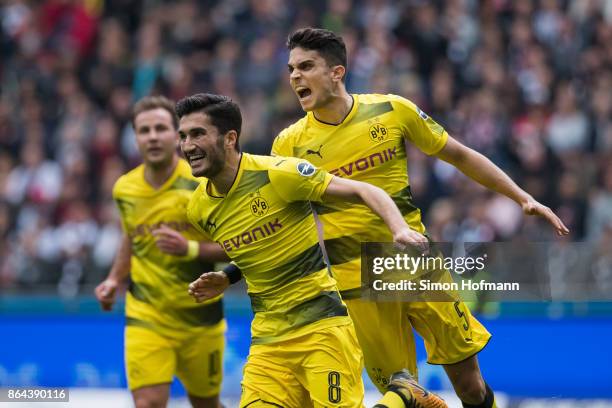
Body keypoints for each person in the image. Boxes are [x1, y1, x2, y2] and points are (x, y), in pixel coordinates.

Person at [270, 28, 570, 408]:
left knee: (471, 385)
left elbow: (459, 155)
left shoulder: (392, 110)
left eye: (306, 66)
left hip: (415, 263)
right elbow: (284, 223)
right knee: (405, 394)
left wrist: (522, 197)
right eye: (291, 68)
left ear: (337, 72)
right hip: (355, 279)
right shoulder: (288, 144)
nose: (295, 76)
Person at [179, 93, 447, 408]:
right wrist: (227, 277)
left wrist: (399, 228)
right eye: (183, 136)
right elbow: (258, 246)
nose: (187, 145)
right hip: (269, 342)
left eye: (198, 134)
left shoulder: (278, 174)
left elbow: (365, 189)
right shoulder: (198, 208)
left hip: (322, 329)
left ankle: (403, 395)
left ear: (230, 138)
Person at [94, 96, 228, 408]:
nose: (152, 136)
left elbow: (234, 247)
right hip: (147, 314)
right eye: (144, 130)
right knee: (148, 403)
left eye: (160, 128)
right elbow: (131, 237)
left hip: (200, 316)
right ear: (135, 137)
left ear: (177, 136)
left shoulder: (201, 184)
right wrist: (114, 279)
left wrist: (190, 248)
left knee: (205, 404)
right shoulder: (124, 189)